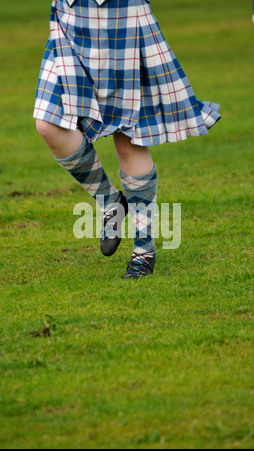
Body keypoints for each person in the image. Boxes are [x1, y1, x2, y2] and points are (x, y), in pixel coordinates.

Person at [34, 0, 221, 279]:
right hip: (70, 20)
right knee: (49, 125)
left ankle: (144, 251)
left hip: (123, 18)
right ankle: (111, 203)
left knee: (128, 139)